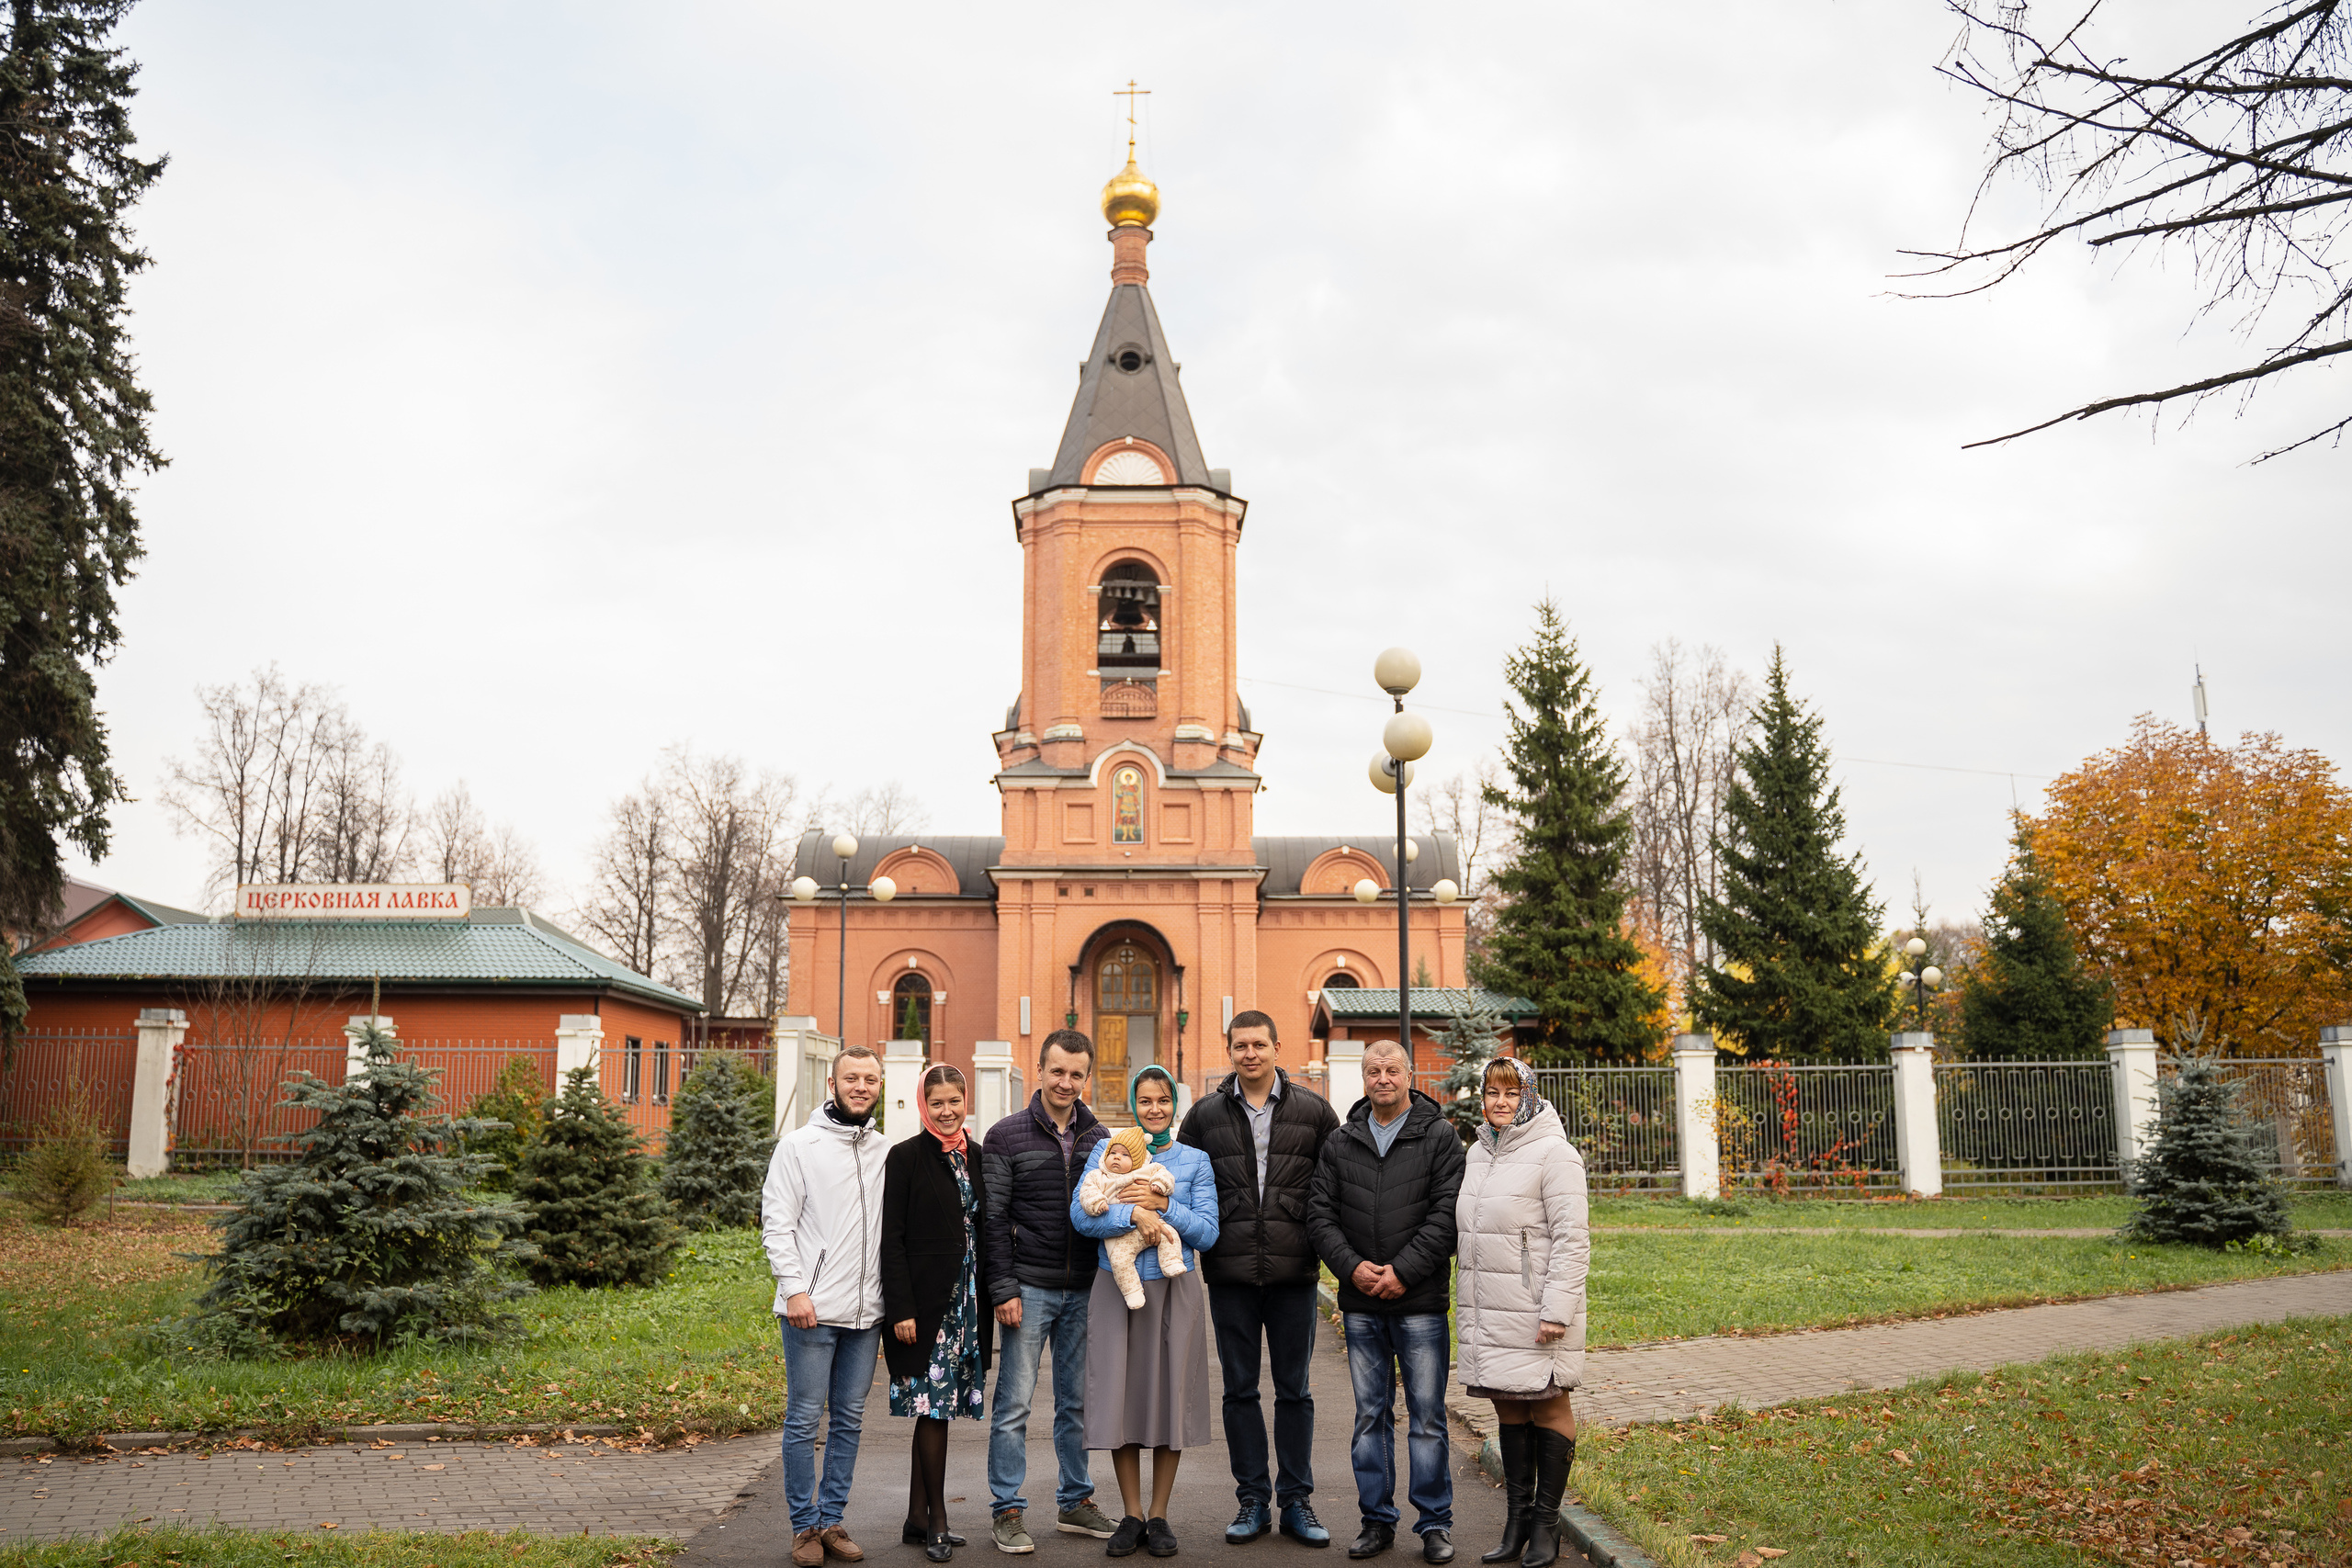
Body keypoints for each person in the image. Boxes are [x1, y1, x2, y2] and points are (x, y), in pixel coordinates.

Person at [1179, 1010, 1340, 1548]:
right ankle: (1251, 1499)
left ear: (1276, 1047)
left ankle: (1296, 1501)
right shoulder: (1204, 1116)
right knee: (1239, 1390)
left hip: (1295, 1271)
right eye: (1240, 1045)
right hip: (1230, 1272)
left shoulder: (1314, 1112)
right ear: (1229, 1051)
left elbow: (1334, 1186)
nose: (1249, 1054)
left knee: (1295, 1390)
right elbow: (1182, 1181)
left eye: (1258, 1045)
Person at [1306, 1041, 1465, 1563]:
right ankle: (1376, 1521)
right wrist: (1351, 1268)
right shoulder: (1340, 1141)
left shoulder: (1439, 1136)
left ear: (1409, 1075)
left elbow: (1448, 1214)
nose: (1383, 1078)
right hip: (1361, 1305)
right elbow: (1320, 1215)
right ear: (1363, 1078)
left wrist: (1404, 1272)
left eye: (1392, 1069)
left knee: (1427, 1418)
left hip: (1419, 1302)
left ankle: (1434, 1524)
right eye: (1373, 1070)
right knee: (1369, 1417)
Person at [1071, 1064, 1218, 1558]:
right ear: (1134, 1105)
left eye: (1163, 1100)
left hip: (1175, 1289)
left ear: (1175, 1104)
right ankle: (1131, 1514)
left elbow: (1208, 1232)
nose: (1155, 1109)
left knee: (1169, 1394)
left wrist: (1162, 1208)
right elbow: (1081, 1215)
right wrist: (1131, 1212)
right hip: (1116, 1289)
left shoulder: (1194, 1160)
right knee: (1121, 1396)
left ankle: (1159, 1514)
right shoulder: (1107, 1149)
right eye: (1145, 1100)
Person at [979, 1031, 1118, 1552]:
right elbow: (993, 1219)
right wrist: (1003, 1289)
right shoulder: (1006, 1136)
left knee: (1076, 1403)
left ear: (1086, 1077)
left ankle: (1075, 1501)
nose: (1066, 1082)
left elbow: (1108, 1205)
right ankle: (1007, 1509)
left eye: (1076, 1074)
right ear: (1039, 1070)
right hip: (1028, 1288)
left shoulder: (1099, 1138)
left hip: (1083, 1289)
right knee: (1014, 1405)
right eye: (1057, 1071)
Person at [1453, 1057, 1589, 1568]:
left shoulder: (1556, 1154)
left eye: (1511, 1093)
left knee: (1548, 1405)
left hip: (1536, 1311)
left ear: (1529, 1097)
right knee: (1508, 1407)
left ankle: (1546, 1524)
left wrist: (1557, 1311)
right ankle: (1516, 1522)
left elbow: (1573, 1241)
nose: (1501, 1102)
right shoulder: (1477, 1153)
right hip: (1489, 1308)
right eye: (1492, 1092)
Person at [762, 1045, 891, 1568]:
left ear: (880, 1086)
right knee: (802, 1419)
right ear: (832, 1085)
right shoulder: (799, 1146)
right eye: (852, 1078)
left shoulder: (885, 1150)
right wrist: (794, 1289)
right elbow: (777, 1224)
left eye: (870, 1079)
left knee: (850, 1420)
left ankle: (832, 1521)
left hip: (866, 1314)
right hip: (810, 1311)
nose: (861, 1087)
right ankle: (804, 1527)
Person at [881, 1064, 997, 1562]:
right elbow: (892, 1239)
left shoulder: (979, 1156)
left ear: (965, 1101)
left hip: (968, 1302)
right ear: (922, 1105)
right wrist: (901, 1308)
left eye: (954, 1101)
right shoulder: (905, 1156)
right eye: (937, 1103)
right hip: (926, 1308)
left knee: (936, 1408)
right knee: (933, 1409)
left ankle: (915, 1517)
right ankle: (938, 1521)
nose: (947, 1111)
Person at [1078, 1126, 1191, 1305]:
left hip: (1155, 1225)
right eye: (1113, 1153)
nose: (1117, 1157)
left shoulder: (1148, 1169)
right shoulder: (1097, 1176)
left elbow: (1166, 1176)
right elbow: (1086, 1192)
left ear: (1137, 1160)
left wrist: (1160, 1185)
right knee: (1119, 1261)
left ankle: (1171, 1262)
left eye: (1125, 1155)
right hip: (1120, 1236)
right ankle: (1133, 1292)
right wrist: (1096, 1202)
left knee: (1170, 1234)